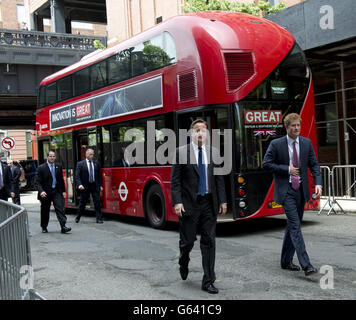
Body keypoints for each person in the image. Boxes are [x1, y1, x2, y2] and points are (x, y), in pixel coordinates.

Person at [171, 119, 227, 294]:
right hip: (189, 205)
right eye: (197, 130)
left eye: (203, 130)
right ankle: (183, 259)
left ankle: (208, 280)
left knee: (209, 242)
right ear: (191, 133)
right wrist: (177, 202)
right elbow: (175, 182)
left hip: (208, 203)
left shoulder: (214, 152)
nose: (200, 133)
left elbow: (219, 179)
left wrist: (223, 201)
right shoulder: (181, 153)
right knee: (188, 241)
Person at [262, 113, 322, 276]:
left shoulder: (306, 143)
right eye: (293, 126)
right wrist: (286, 169)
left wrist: (318, 183)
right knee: (295, 225)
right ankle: (306, 264)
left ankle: (285, 261)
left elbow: (314, 165)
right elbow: (266, 164)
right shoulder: (276, 144)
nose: (296, 128)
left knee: (291, 226)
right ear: (287, 127)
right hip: (286, 190)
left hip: (300, 191)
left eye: (298, 125)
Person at [36, 151, 71, 234]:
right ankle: (44, 226)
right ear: (47, 157)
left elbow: (61, 180)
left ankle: (63, 226)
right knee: (45, 210)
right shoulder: (41, 168)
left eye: (53, 156)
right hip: (45, 192)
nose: (52, 158)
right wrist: (41, 191)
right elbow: (37, 182)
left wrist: (63, 191)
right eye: (50, 156)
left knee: (60, 208)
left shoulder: (58, 166)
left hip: (56, 191)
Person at [75, 148, 103, 224]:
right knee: (82, 203)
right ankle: (78, 216)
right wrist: (79, 185)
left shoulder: (96, 163)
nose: (92, 156)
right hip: (85, 186)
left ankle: (99, 218)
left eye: (93, 154)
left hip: (94, 185)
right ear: (86, 154)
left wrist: (100, 185)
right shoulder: (80, 164)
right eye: (90, 154)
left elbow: (99, 176)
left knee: (97, 202)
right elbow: (77, 176)